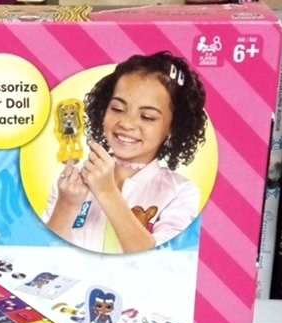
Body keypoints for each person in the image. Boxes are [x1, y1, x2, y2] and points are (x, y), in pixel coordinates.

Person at [44, 52, 207, 254]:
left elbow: (160, 261)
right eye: (118, 109)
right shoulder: (71, 182)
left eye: (147, 117)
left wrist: (107, 191)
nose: (127, 123)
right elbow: (43, 255)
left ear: (173, 127)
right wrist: (67, 205)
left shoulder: (180, 192)